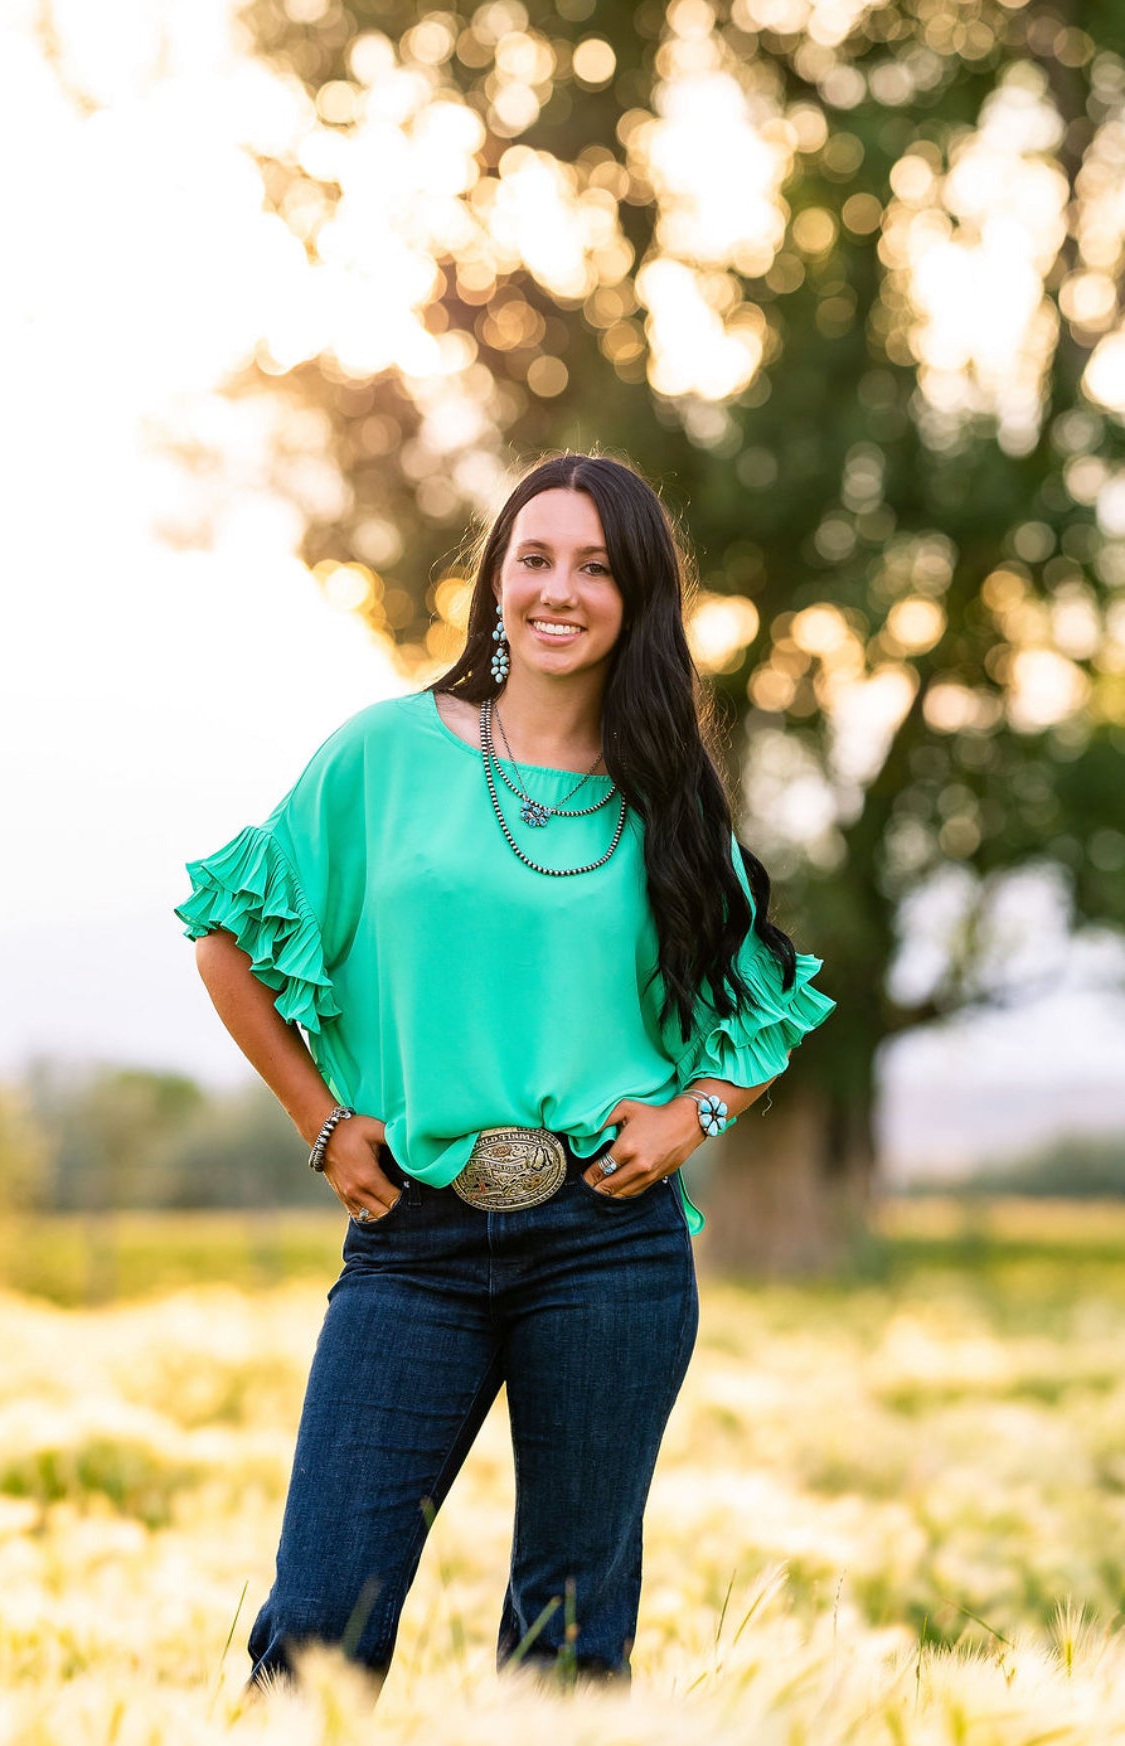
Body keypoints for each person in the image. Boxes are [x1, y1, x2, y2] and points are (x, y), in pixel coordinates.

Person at [174, 450, 836, 1696]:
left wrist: (693, 1112)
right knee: (317, 1624)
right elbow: (225, 938)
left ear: (637, 599)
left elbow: (767, 1010)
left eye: (595, 567)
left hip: (609, 1246)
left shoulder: (668, 802)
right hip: (412, 1242)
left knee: (568, 1648)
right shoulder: (383, 752)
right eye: (534, 558)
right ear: (494, 583)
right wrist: (322, 1124)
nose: (558, 589)